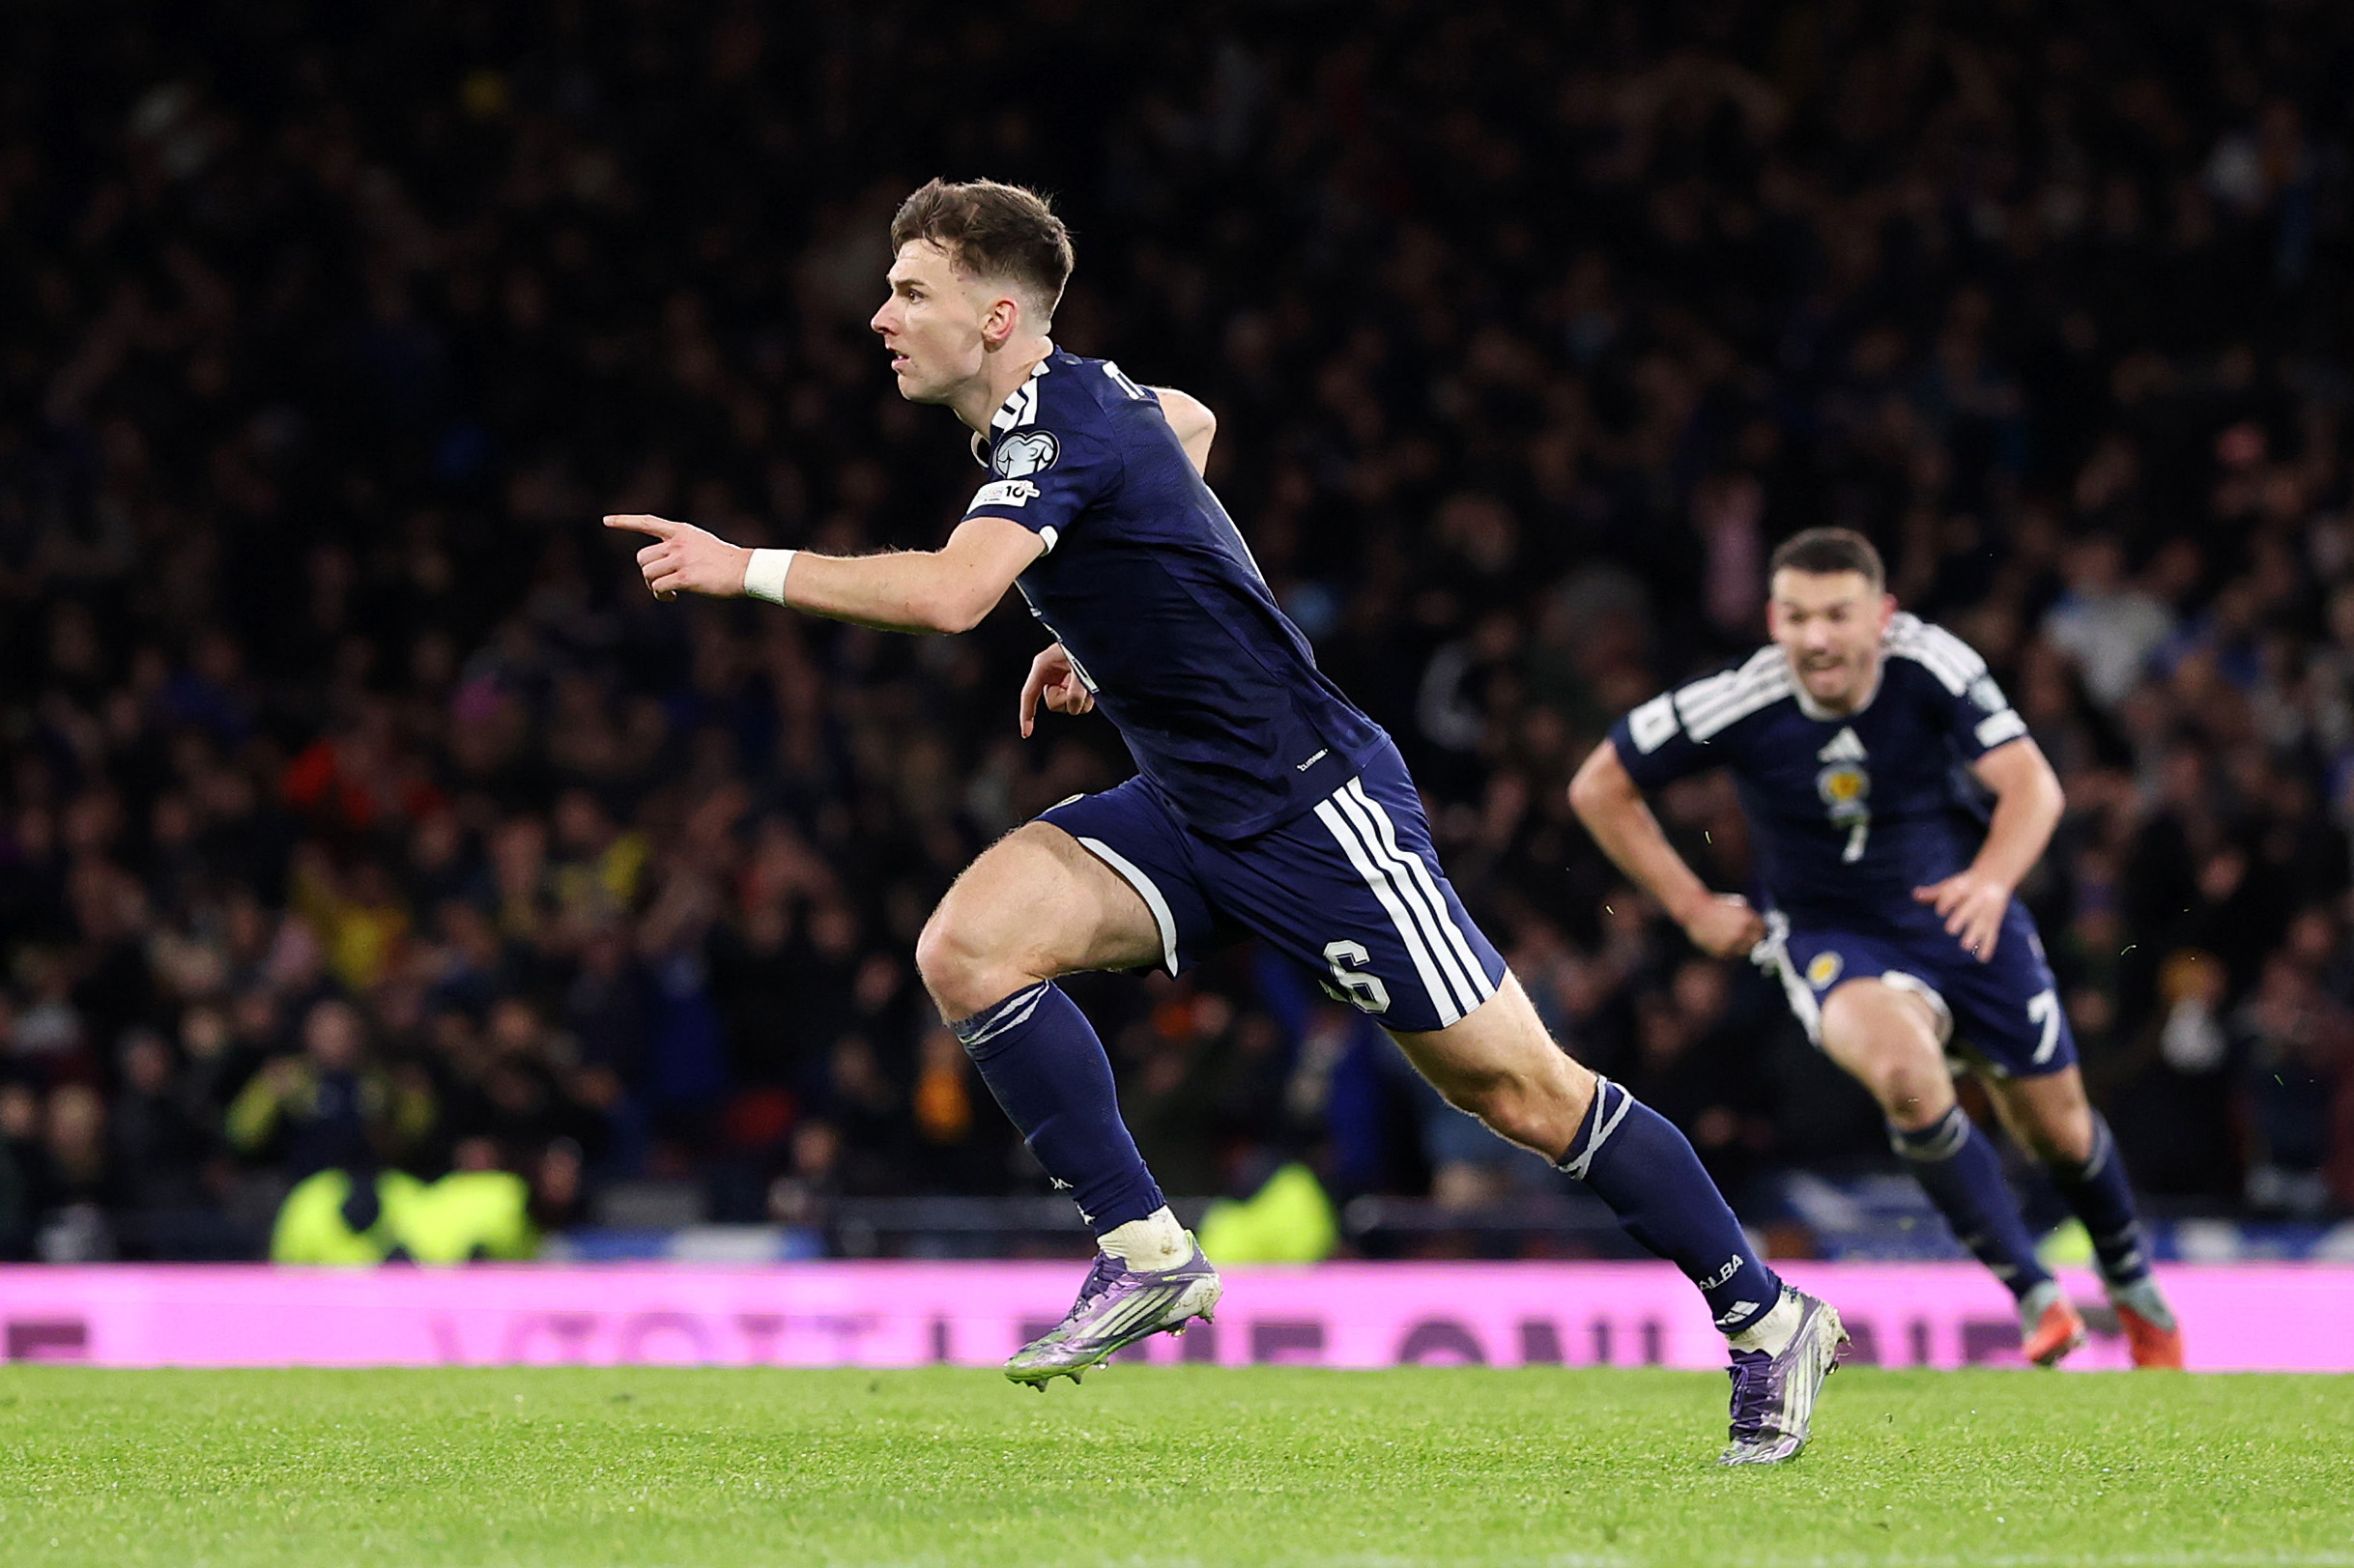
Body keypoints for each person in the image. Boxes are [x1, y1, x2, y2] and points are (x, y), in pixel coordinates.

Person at [609, 178, 1844, 1463]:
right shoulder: (1079, 410)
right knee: (966, 944)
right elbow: (1188, 425)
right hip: (1191, 801)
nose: (880, 316)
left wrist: (737, 564)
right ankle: (1145, 1248)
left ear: (997, 314)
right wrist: (1106, 624)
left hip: (1316, 809)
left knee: (1527, 1095)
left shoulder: (1058, 423)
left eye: (909, 292)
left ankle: (1767, 1315)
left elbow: (951, 595)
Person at [1568, 527, 2184, 1369]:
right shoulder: (1741, 696)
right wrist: (1690, 904)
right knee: (1904, 1073)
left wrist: (1994, 882)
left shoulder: (1932, 663)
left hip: (1961, 914)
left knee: (2060, 1131)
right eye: (1795, 616)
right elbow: (1597, 783)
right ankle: (2036, 1293)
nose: (1816, 637)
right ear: (1772, 620)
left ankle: (2134, 1287)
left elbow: (2031, 784)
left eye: (1836, 615)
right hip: (1831, 934)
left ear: (1882, 615)